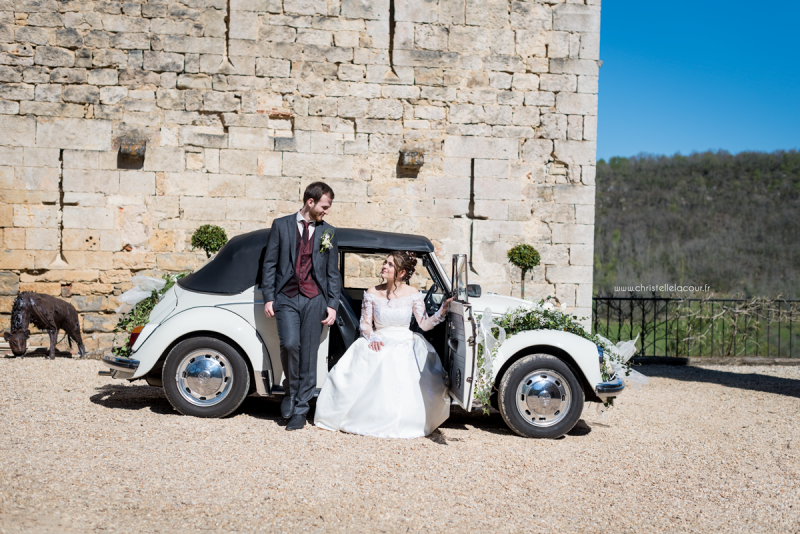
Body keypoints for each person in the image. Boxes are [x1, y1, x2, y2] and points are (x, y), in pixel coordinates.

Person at [315, 251, 453, 439]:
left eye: (390, 265)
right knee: (369, 359)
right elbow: (365, 324)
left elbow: (424, 324)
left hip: (405, 340)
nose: (384, 267)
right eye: (385, 263)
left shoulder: (413, 294)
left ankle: (407, 421)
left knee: (403, 362)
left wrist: (442, 311)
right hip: (379, 338)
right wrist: (371, 338)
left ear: (402, 272)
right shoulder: (372, 292)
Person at [261, 182, 341, 431]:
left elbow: (332, 273)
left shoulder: (328, 232)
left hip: (315, 297)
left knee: (309, 354)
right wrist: (269, 297)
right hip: (286, 297)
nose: (326, 211)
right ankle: (290, 391)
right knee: (290, 344)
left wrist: (332, 304)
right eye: (324, 206)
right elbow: (270, 264)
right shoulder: (281, 225)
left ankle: (301, 408)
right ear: (310, 202)